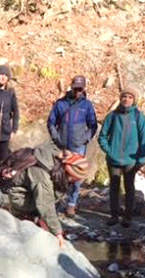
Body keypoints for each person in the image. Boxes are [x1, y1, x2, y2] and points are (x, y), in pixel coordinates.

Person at [2, 144, 88, 247]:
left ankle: (37, 218)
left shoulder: (58, 157)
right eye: (74, 179)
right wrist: (58, 233)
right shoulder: (43, 175)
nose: (75, 183)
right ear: (67, 171)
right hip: (20, 196)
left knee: (47, 205)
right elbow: (45, 204)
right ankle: (21, 216)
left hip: (31, 190)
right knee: (31, 235)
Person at [98, 86, 145, 227]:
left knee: (129, 187)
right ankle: (114, 215)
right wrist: (109, 150)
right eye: (124, 97)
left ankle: (127, 217)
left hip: (131, 160)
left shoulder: (139, 117)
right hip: (113, 159)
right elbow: (102, 136)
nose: (126, 99)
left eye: (130, 97)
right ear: (120, 99)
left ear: (134, 100)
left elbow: (144, 139)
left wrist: (141, 158)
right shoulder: (112, 116)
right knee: (114, 188)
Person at [47, 75, 98, 216]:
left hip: (78, 146)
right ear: (71, 86)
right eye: (76, 88)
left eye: (80, 88)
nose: (78, 91)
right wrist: (56, 137)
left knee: (76, 176)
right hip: (61, 145)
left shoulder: (87, 105)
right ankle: (56, 201)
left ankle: (71, 203)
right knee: (58, 173)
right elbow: (51, 122)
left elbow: (93, 125)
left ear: (84, 88)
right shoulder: (60, 103)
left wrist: (85, 138)